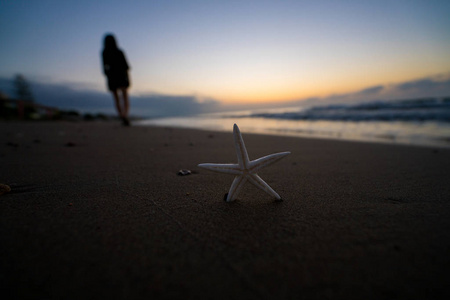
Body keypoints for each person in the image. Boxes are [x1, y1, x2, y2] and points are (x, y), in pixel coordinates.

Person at [102, 34, 131, 126]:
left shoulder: (105, 52)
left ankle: (122, 115)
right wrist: (128, 79)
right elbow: (126, 66)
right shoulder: (119, 52)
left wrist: (108, 75)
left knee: (116, 99)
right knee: (124, 97)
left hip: (112, 77)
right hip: (121, 76)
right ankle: (124, 114)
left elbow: (104, 67)